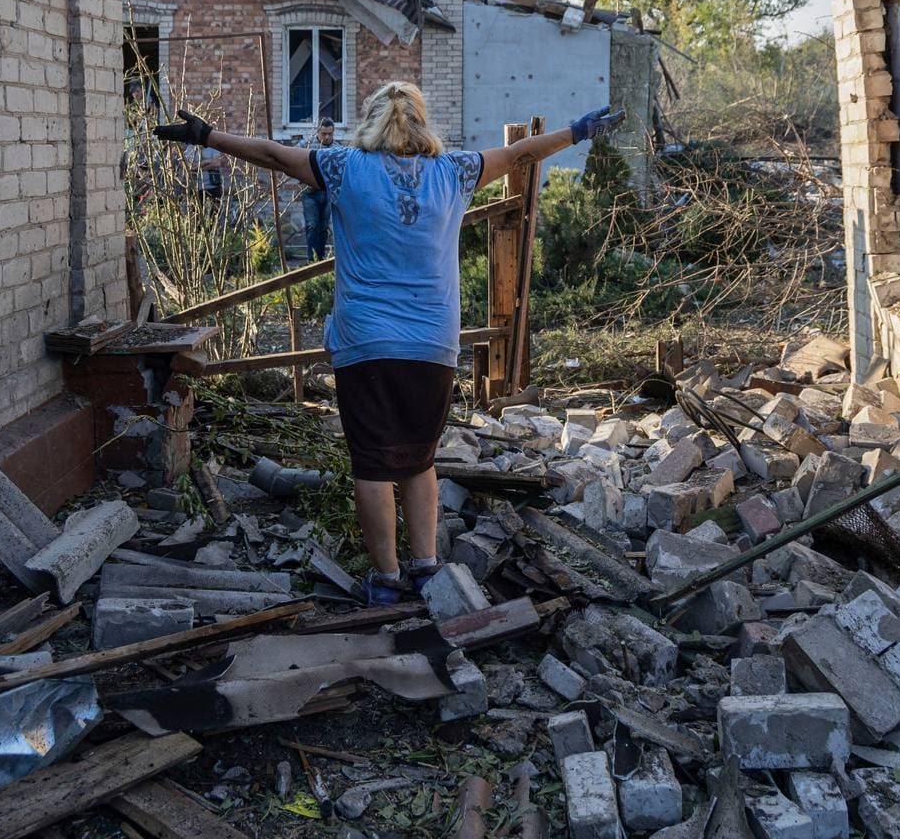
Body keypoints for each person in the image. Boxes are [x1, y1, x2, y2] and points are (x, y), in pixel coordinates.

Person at [153, 81, 623, 604]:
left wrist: (208, 135)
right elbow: (520, 154)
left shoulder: (342, 167)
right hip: (432, 344)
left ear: (370, 122)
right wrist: (578, 132)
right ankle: (425, 568)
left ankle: (385, 580)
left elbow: (270, 154)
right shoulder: (456, 171)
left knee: (373, 463)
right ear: (422, 122)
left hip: (366, 341)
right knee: (420, 459)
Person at [300, 117, 336, 260]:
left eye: (329, 134)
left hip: (327, 193)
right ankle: (311, 260)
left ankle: (319, 260)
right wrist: (302, 180)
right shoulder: (306, 145)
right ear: (318, 132)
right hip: (310, 194)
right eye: (323, 134)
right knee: (312, 226)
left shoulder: (337, 148)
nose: (326, 137)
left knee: (323, 227)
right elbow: (292, 162)